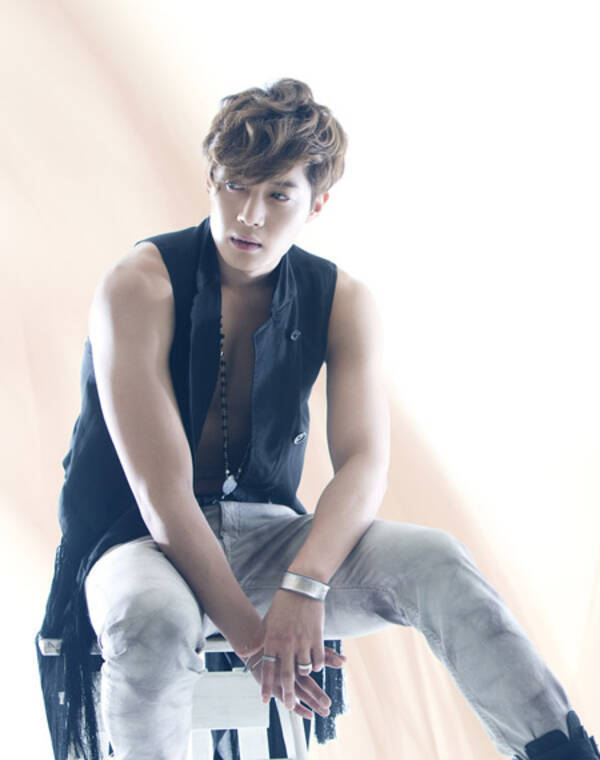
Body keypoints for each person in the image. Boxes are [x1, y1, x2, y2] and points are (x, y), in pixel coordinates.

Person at [37, 78, 598, 760]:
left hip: (264, 536)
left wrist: (305, 586)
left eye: (278, 195)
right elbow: (162, 495)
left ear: (317, 202)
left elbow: (364, 464)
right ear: (211, 179)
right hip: (139, 544)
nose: (249, 215)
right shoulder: (139, 284)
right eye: (235, 186)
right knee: (152, 622)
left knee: (437, 560)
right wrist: (257, 642)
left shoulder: (342, 299)